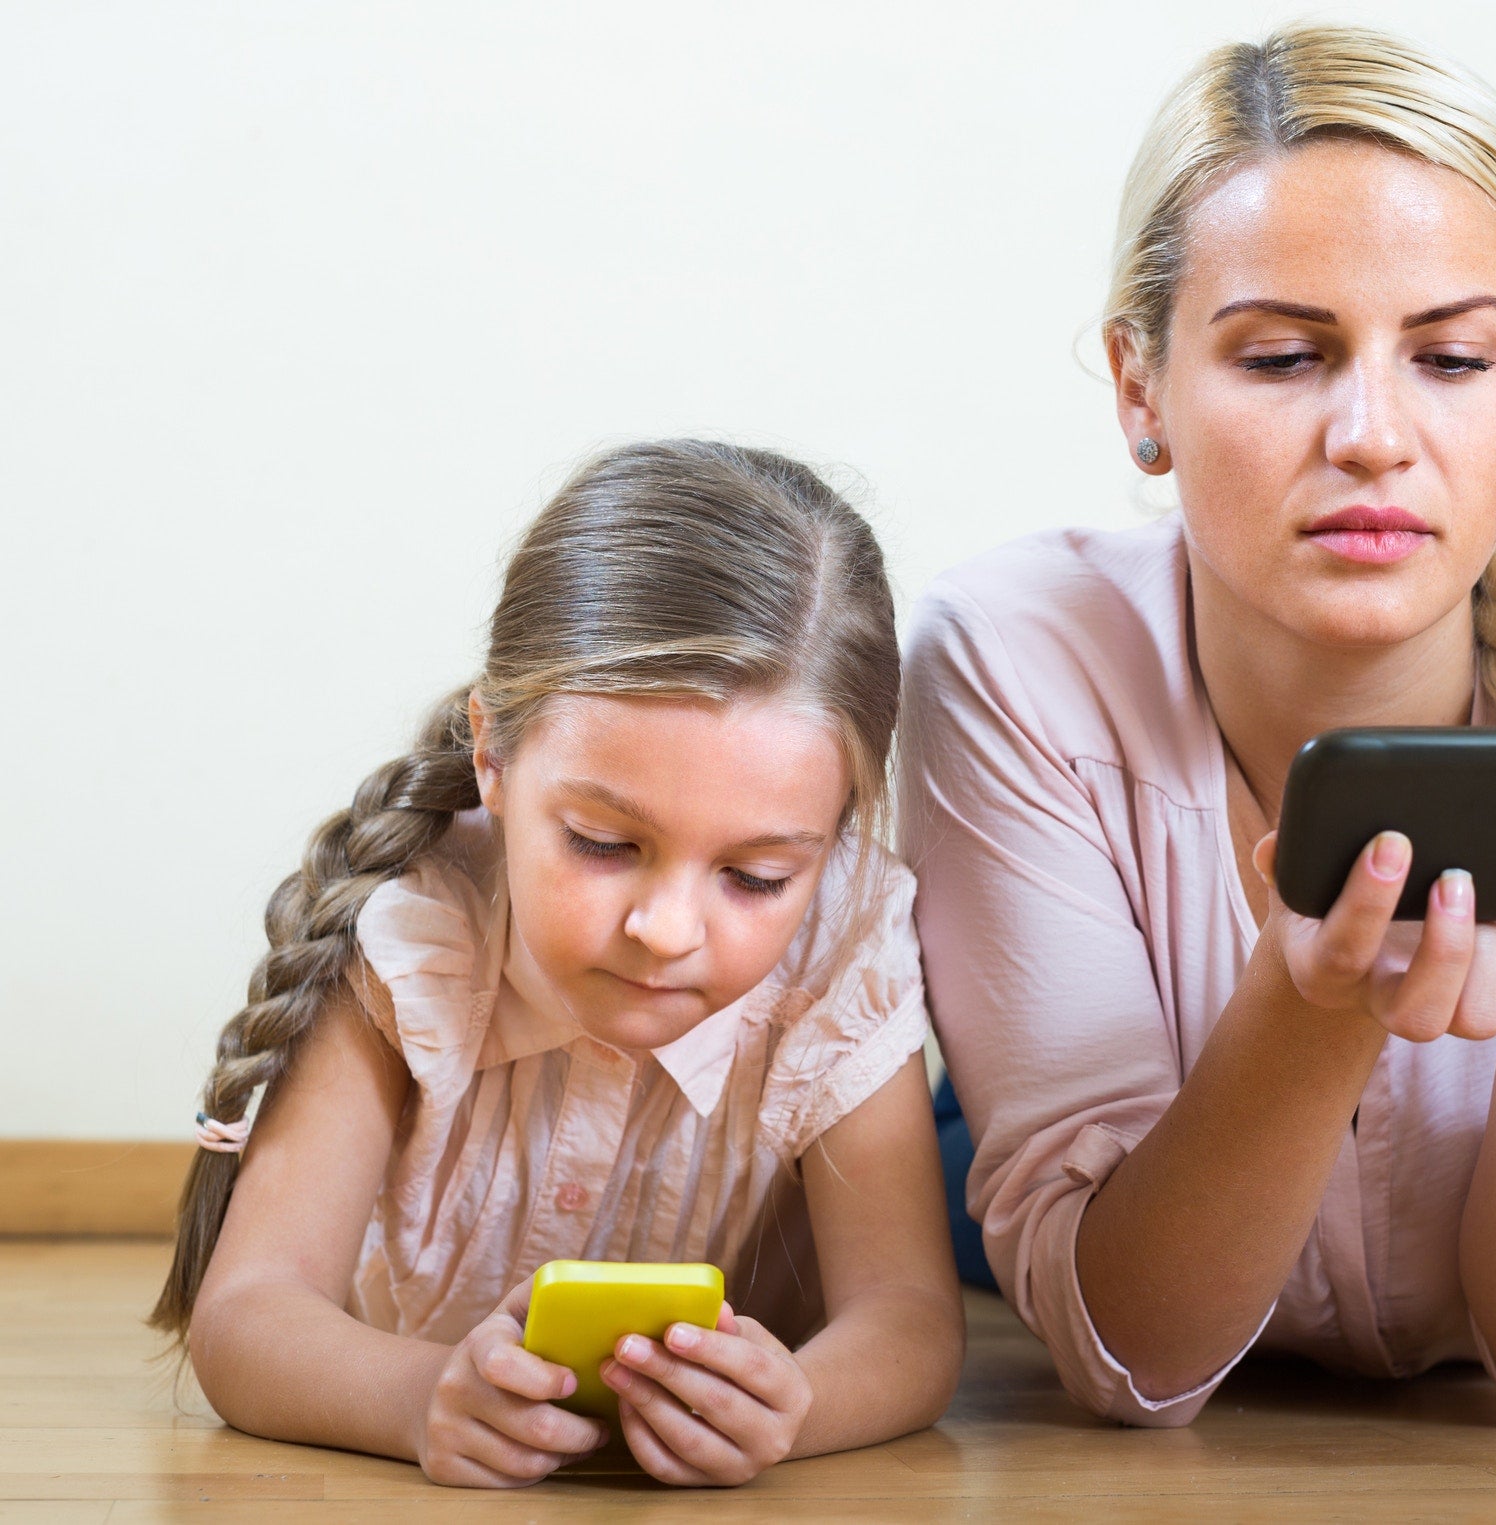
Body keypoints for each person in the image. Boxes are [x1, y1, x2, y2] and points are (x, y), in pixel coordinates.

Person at [901, 24, 1496, 1431]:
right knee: (940, 1159)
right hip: (1089, 1145)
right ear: (1141, 390)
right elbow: (1135, 1354)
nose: (1372, 435)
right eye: (1279, 358)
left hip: (1437, 1262)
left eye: (1448, 358)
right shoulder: (1007, 652)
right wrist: (1309, 1005)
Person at [152, 441, 963, 1487]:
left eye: (757, 875)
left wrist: (792, 1410)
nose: (668, 929)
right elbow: (246, 1313)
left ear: (836, 834)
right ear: (492, 755)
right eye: (603, 842)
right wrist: (417, 1399)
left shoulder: (841, 953)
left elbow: (908, 1323)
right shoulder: (415, 935)